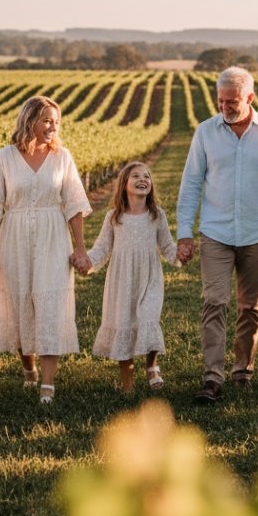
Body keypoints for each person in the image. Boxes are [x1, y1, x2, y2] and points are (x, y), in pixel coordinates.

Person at [176, 66, 258, 403]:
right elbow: (190, 187)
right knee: (214, 301)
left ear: (250, 98)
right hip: (215, 231)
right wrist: (184, 234)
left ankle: (243, 369)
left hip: (257, 233)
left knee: (249, 307)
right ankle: (212, 377)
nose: (225, 107)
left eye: (232, 101)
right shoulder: (206, 132)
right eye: (220, 100)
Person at [0, 96, 92, 405]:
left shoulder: (63, 158)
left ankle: (48, 384)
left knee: (50, 304)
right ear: (30, 121)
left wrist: (80, 248)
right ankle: (29, 371)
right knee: (19, 303)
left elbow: (75, 205)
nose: (52, 126)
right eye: (47, 120)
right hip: (15, 236)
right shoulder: (4, 158)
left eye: (56, 121)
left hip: (54, 236)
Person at [78, 161, 180, 394]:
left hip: (149, 278)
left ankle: (152, 366)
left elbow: (166, 246)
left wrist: (180, 255)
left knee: (149, 317)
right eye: (135, 176)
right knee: (124, 323)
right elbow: (102, 249)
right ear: (124, 184)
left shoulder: (157, 215)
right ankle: (128, 384)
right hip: (122, 282)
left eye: (147, 176)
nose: (143, 179)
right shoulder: (114, 217)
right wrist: (88, 263)